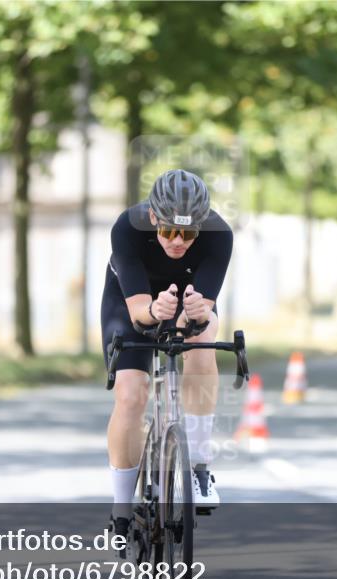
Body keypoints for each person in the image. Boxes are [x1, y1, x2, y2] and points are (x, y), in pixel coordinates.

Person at [102, 169, 233, 540]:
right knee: (131, 393)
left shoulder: (219, 234)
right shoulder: (127, 228)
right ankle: (122, 509)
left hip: (188, 298)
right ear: (154, 219)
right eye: (168, 232)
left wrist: (197, 312)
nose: (178, 242)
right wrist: (155, 311)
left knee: (202, 340)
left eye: (189, 234)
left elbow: (205, 309)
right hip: (134, 300)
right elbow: (139, 311)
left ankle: (199, 468)